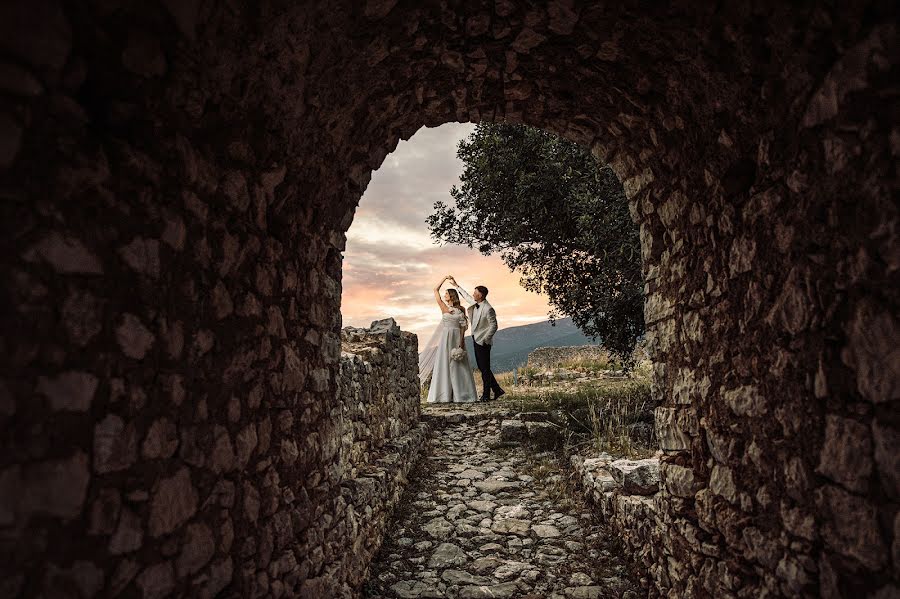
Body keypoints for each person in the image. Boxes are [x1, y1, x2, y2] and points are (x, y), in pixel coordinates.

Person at [417, 276, 479, 403]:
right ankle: (444, 395)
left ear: (452, 296)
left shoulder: (461, 310)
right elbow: (435, 290)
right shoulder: (444, 308)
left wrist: (461, 342)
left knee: (459, 366)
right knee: (444, 364)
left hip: (457, 338)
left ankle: (462, 395)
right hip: (446, 339)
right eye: (444, 293)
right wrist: (444, 278)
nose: (444, 295)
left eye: (446, 294)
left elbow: (463, 327)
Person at [449, 276, 505, 402]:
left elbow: (494, 325)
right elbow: (466, 296)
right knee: (483, 367)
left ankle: (486, 395)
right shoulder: (476, 304)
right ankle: (497, 390)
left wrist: (486, 339)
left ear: (481, 295)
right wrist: (456, 285)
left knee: (484, 368)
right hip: (476, 339)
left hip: (483, 341)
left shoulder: (488, 308)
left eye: (475, 292)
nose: (473, 294)